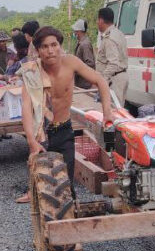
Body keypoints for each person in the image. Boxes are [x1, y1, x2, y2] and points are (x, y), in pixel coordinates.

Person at [21, 26, 114, 198]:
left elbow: (100, 80)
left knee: (66, 186)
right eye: (45, 47)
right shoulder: (31, 72)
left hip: (64, 130)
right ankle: (34, 197)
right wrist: (31, 140)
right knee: (44, 189)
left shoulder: (71, 62)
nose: (50, 51)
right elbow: (26, 107)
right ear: (38, 50)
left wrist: (107, 111)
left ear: (60, 46)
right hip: (42, 133)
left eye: (54, 45)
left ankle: (69, 210)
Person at [95, 6, 129, 105]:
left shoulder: (109, 38)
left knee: (112, 110)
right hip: (120, 77)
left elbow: (113, 63)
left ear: (101, 20)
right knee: (118, 108)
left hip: (113, 80)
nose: (97, 23)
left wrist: (103, 80)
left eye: (97, 20)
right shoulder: (118, 33)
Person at [71, 18, 96, 88]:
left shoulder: (85, 44)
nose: (74, 33)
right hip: (80, 82)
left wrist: (77, 69)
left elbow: (90, 63)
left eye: (75, 31)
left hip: (85, 83)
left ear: (79, 31)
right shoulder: (80, 43)